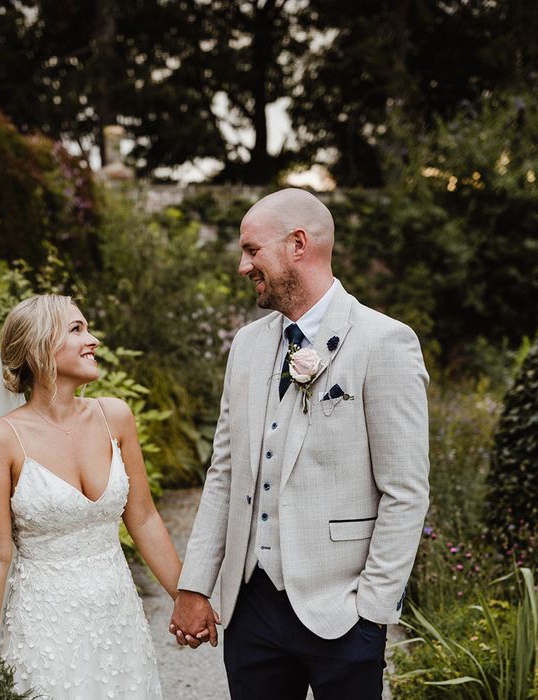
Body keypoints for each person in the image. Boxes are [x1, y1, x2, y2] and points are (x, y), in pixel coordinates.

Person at [169, 188, 430, 699]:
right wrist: (195, 584)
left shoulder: (384, 342)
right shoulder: (246, 346)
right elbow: (224, 473)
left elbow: (406, 492)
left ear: (297, 244)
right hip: (251, 611)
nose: (243, 266)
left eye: (252, 250)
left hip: (342, 613)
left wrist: (372, 611)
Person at [0, 294, 181, 699]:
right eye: (77, 330)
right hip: (44, 630)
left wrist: (185, 597)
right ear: (37, 347)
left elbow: (144, 517)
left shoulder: (115, 416)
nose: (93, 339)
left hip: (119, 621)